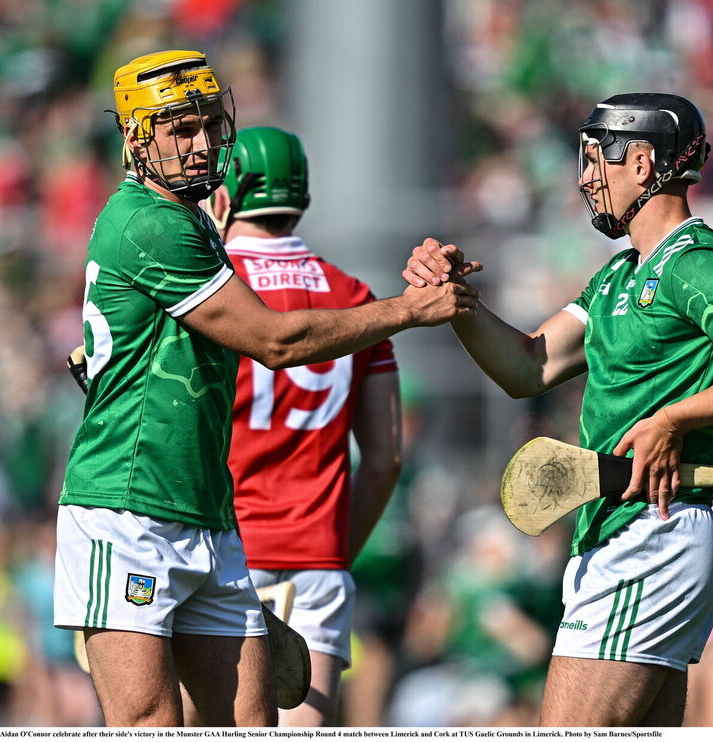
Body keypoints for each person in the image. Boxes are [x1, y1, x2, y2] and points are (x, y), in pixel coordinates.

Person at [53, 50, 475, 727]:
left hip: (211, 516)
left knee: (253, 725)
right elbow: (277, 343)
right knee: (152, 723)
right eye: (178, 130)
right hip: (130, 511)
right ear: (135, 137)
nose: (200, 145)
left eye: (208, 127)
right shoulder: (153, 222)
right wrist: (411, 309)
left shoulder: (196, 224)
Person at [402, 93, 713, 726]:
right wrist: (456, 301)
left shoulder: (692, 262)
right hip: (622, 536)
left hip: (648, 533)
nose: (587, 178)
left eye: (599, 158)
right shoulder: (619, 274)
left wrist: (675, 420)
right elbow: (527, 366)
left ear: (644, 164)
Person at [200, 125, 402, 726]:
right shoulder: (357, 294)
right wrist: (333, 552)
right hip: (316, 562)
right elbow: (386, 457)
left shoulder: (209, 288)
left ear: (225, 193)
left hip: (222, 553)